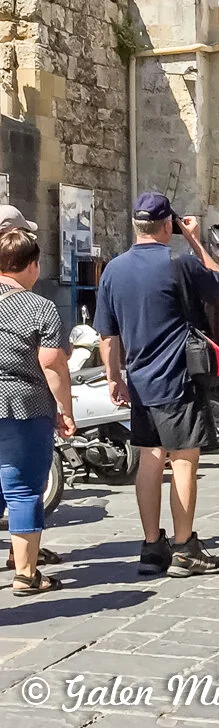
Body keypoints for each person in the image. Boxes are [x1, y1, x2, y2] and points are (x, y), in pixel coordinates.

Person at [96, 192, 219, 577]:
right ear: (168, 224)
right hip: (178, 379)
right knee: (185, 461)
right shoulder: (179, 262)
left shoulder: (113, 270)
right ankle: (186, 548)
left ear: (136, 226)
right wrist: (194, 239)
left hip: (139, 381)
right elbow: (217, 282)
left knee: (149, 460)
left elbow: (108, 335)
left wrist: (113, 377)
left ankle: (153, 545)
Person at [0, 214, 74, 595]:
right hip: (23, 405)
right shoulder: (39, 307)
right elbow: (52, 363)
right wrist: (65, 409)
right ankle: (26, 572)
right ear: (32, 265)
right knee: (24, 488)